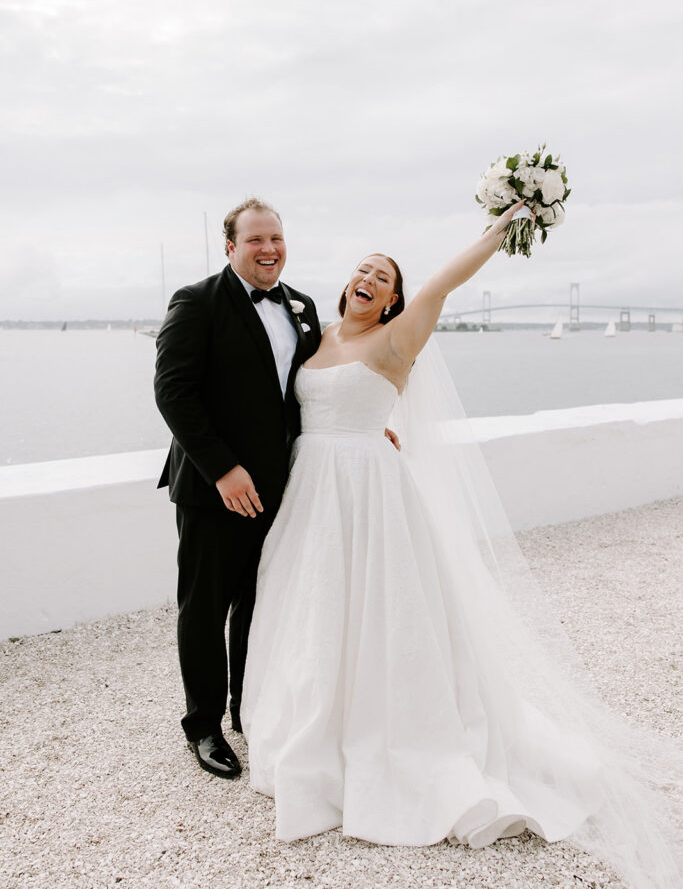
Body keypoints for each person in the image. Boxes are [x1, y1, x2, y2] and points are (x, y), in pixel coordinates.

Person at [241, 203, 681, 888]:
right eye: (362, 268)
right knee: (310, 608)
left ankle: (393, 740)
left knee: (383, 615)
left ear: (391, 300)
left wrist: (502, 227)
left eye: (382, 277)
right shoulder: (316, 336)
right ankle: (312, 729)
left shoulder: (395, 340)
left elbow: (442, 285)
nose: (368, 277)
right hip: (311, 494)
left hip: (370, 495)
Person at [154, 198, 322, 779]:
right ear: (230, 247)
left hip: (280, 489)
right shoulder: (196, 303)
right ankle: (203, 727)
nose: (269, 249)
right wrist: (223, 469)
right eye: (255, 240)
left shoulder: (302, 307)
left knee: (259, 604)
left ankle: (248, 709)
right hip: (211, 488)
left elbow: (310, 390)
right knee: (205, 609)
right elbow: (174, 394)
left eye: (275, 237)